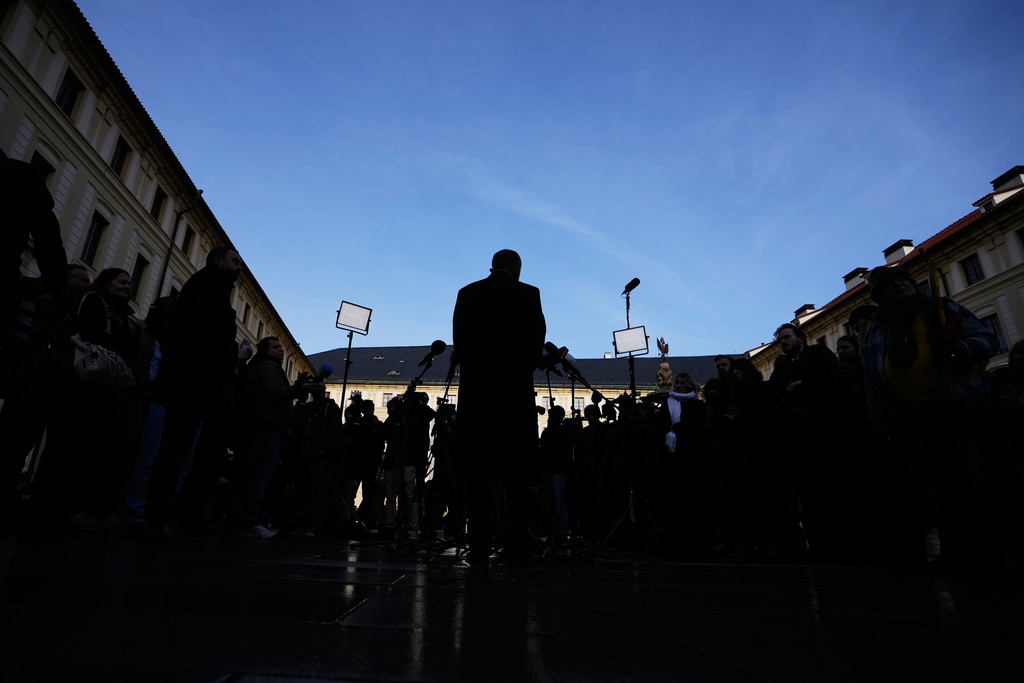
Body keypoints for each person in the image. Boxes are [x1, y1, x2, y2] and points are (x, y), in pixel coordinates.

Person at [861, 265, 1024, 575]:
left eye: (902, 280)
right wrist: (878, 415)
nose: (898, 286)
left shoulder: (941, 307)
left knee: (983, 480)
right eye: (889, 284)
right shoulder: (873, 326)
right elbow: (872, 374)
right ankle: (957, 550)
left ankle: (1009, 550)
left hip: (956, 405)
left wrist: (964, 349)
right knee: (936, 489)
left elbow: (987, 339)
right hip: (907, 417)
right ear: (878, 296)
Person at [452, 249, 545, 564]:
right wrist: (520, 372)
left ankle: (478, 545)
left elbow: (460, 342)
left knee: (478, 473)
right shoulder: (529, 294)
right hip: (513, 394)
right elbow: (536, 340)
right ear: (517, 268)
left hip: (478, 395)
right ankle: (516, 545)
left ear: (493, 266)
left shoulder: (468, 293)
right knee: (516, 473)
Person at [145, 246, 243, 541]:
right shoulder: (206, 288)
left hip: (198, 383)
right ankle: (159, 518)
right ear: (217, 261)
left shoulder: (210, 289)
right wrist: (231, 357)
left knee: (183, 453)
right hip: (190, 382)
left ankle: (172, 515)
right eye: (234, 261)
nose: (239, 268)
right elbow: (214, 335)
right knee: (175, 451)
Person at [226, 336, 320, 538]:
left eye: (281, 347)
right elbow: (275, 393)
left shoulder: (261, 365)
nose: (281, 350)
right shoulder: (269, 366)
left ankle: (241, 522)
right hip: (266, 427)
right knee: (259, 477)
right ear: (266, 350)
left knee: (252, 476)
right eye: (276, 347)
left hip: (261, 425)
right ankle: (250, 523)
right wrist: (298, 389)